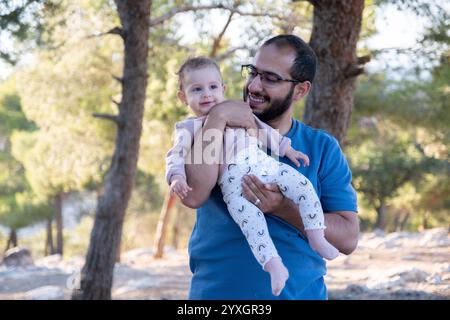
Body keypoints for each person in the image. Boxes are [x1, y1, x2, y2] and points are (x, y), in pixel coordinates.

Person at [181, 35, 359, 300]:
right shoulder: (205, 131)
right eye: (252, 73)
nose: (253, 85)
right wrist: (217, 118)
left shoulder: (321, 147)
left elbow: (347, 239)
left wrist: (284, 208)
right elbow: (193, 194)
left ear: (300, 90)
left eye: (271, 78)